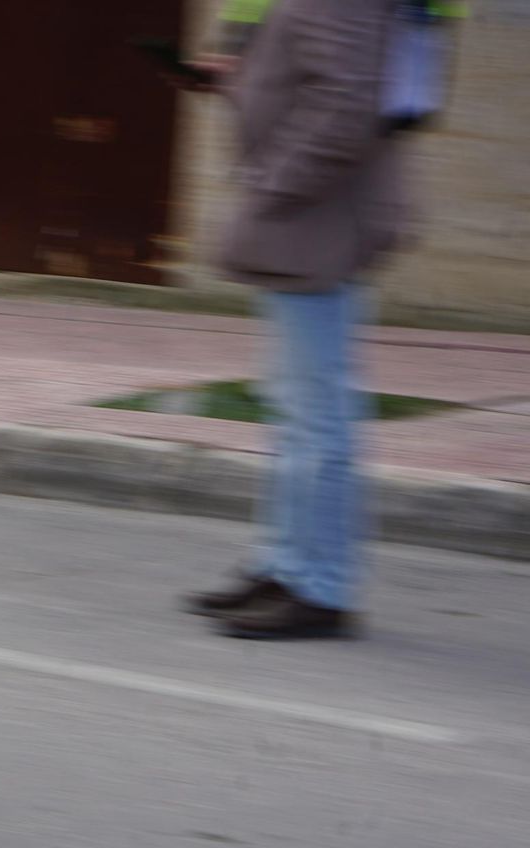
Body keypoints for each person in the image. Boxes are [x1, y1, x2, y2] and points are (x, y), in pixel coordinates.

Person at [180, 0, 414, 640]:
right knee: (296, 411)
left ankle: (322, 586)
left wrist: (271, 183)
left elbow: (346, 105)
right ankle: (287, 566)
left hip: (320, 218)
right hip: (307, 216)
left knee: (318, 413)